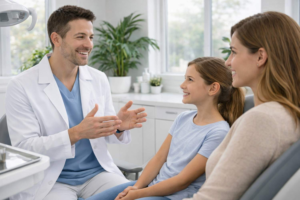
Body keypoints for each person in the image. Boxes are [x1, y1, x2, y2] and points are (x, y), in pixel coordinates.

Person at [5, 5, 147, 200]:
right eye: (80, 37)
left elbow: (104, 135)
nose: (88, 45)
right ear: (56, 39)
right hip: (51, 181)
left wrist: (118, 127)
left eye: (91, 37)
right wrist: (75, 134)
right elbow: (26, 148)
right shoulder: (21, 85)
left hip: (98, 175)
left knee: (136, 197)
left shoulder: (98, 78)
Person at [82, 57, 245, 200]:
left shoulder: (218, 132)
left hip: (174, 196)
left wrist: (138, 195)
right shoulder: (183, 118)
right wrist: (137, 187)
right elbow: (159, 159)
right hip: (153, 188)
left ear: (212, 88)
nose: (182, 85)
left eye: (190, 79)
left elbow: (183, 181)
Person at [184, 11, 300, 200]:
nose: (228, 62)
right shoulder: (287, 112)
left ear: (260, 57)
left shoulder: (262, 120)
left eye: (234, 52)